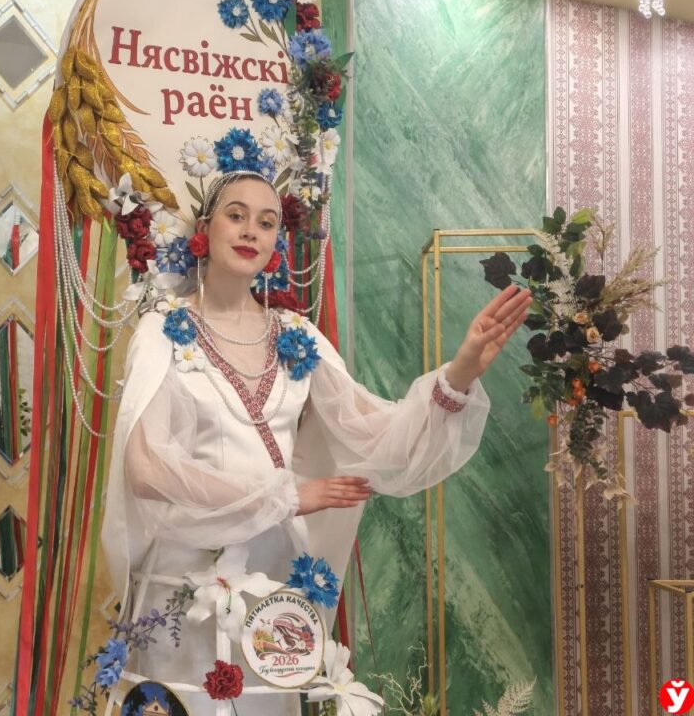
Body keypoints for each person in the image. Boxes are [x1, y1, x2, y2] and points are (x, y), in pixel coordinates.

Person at [101, 171, 532, 715]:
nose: (250, 231)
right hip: (186, 584)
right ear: (205, 228)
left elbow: (375, 435)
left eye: (266, 222)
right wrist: (285, 497)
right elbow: (146, 470)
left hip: (271, 579)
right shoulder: (161, 331)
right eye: (236, 215)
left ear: (276, 243)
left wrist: (460, 373)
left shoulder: (296, 335)